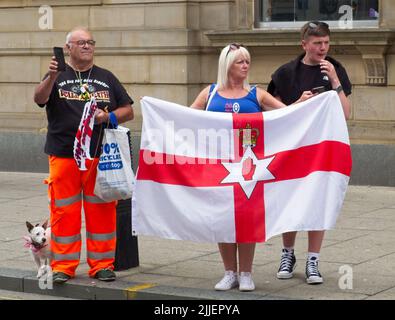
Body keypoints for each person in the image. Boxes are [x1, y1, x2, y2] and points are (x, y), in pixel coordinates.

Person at [191, 43, 311, 291]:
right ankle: (229, 272)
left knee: (246, 220)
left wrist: (301, 102)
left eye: (247, 61)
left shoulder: (256, 94)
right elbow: (187, 119)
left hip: (249, 168)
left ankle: (246, 273)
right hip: (218, 167)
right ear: (227, 65)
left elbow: (286, 116)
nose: (246, 65)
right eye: (240, 61)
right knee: (222, 219)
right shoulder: (210, 93)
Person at [33, 27, 134, 283]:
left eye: (90, 42)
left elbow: (128, 110)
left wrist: (107, 117)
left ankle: (102, 265)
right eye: (80, 43)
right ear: (68, 48)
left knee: (101, 210)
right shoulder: (57, 75)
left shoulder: (105, 77)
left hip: (98, 157)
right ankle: (63, 267)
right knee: (64, 212)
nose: (87, 46)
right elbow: (39, 98)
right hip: (63, 154)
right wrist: (52, 77)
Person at [267, 21, 352, 285]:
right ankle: (287, 253)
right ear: (304, 44)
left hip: (323, 150)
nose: (323, 48)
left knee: (319, 200)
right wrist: (297, 104)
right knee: (290, 200)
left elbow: (346, 113)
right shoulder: (286, 73)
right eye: (317, 43)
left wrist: (335, 82)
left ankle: (313, 259)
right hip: (293, 148)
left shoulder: (336, 69)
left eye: (326, 42)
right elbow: (273, 114)